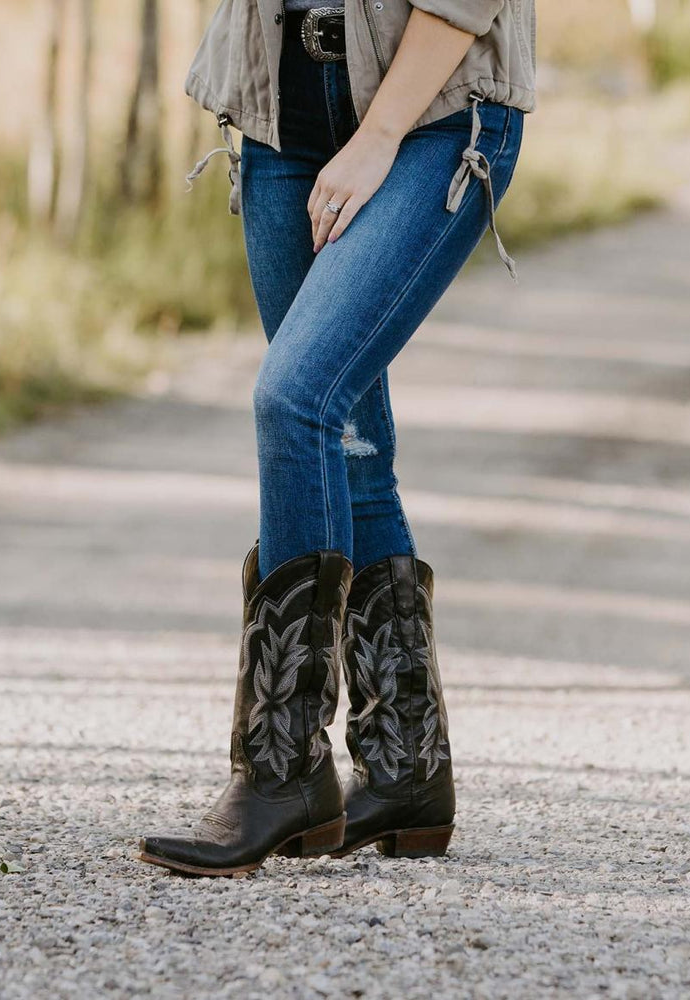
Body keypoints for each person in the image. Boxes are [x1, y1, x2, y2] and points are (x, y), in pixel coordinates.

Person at [138, 0, 536, 877]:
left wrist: (378, 134)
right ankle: (405, 770)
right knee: (347, 438)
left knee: (297, 399)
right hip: (284, 104)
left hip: (432, 112)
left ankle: (281, 772)